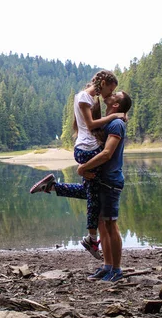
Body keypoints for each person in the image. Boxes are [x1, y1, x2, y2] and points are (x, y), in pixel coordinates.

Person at [32, 91, 132, 282]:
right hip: (100, 178)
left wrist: (83, 167)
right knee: (102, 222)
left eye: (115, 94)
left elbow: (107, 153)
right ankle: (107, 266)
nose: (110, 94)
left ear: (117, 105)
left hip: (110, 180)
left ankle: (117, 270)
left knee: (111, 224)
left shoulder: (117, 124)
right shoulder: (111, 120)